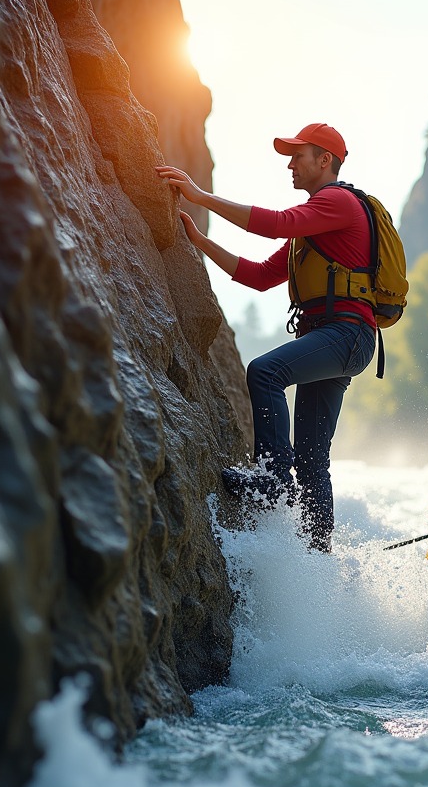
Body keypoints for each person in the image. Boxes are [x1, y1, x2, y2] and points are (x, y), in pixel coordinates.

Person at [155, 123, 376, 553]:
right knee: (313, 459)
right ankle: (316, 559)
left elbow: (275, 224)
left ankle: (272, 475)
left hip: (345, 335)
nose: (290, 164)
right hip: (339, 339)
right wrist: (200, 242)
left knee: (265, 371)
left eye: (298, 155)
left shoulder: (337, 201)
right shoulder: (313, 231)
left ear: (324, 160)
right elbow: (257, 277)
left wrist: (200, 197)